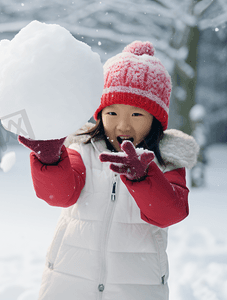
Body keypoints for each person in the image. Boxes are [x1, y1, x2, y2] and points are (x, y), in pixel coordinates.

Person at [18, 41, 199, 300]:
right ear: (100, 113)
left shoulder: (166, 162)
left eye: (137, 115)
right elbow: (59, 195)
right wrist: (51, 160)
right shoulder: (82, 149)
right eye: (112, 112)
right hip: (69, 283)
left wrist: (144, 177)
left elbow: (170, 212)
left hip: (135, 289)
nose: (122, 125)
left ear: (156, 119)